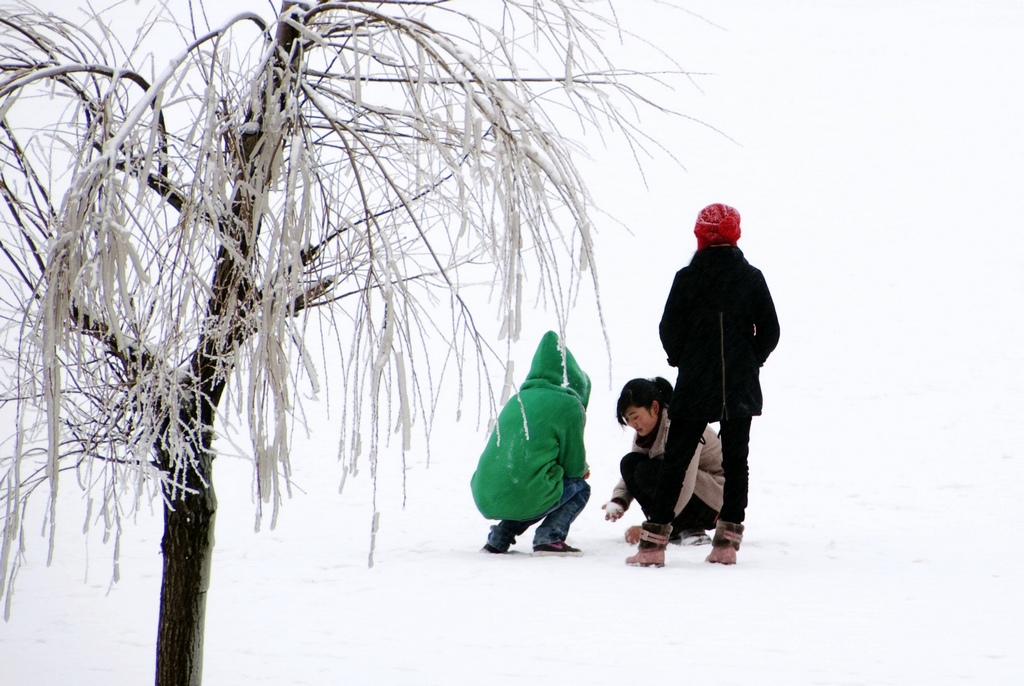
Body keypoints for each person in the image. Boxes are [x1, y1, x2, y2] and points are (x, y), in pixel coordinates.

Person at [627, 203, 780, 567]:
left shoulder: (686, 278)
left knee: (675, 460)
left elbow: (668, 330)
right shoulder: (752, 277)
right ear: (735, 235)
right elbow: (771, 332)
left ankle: (652, 547)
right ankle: (726, 544)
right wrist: (750, 360)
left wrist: (684, 359)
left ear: (699, 236)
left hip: (695, 383)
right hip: (739, 385)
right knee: (736, 461)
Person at [471, 330, 592, 557]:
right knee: (577, 488)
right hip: (525, 491)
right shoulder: (568, 404)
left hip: (485, 494)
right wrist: (583, 470)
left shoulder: (516, 399)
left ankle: (499, 538)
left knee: (536, 482)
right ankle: (550, 539)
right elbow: (574, 466)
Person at [601, 377, 724, 546]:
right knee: (631, 463)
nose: (632, 424)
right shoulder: (646, 432)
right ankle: (674, 527)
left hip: (713, 499)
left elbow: (685, 482)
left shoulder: (681, 427)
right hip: (683, 491)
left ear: (655, 408)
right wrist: (619, 500)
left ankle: (690, 528)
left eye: (635, 416)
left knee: (652, 471)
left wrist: (654, 527)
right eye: (628, 420)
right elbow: (632, 472)